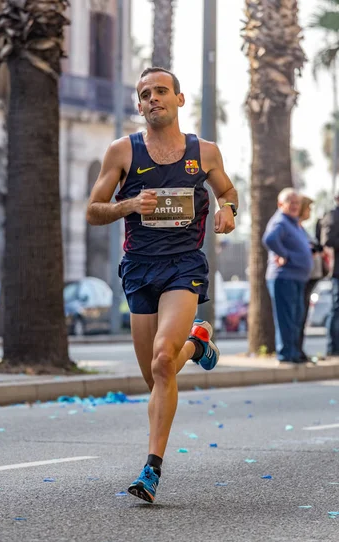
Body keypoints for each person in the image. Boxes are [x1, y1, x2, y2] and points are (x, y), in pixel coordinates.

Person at [86, 67, 238, 503]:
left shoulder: (204, 152)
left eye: (161, 92)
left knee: (159, 361)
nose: (153, 99)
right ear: (139, 105)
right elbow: (93, 210)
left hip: (182, 266)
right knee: (158, 376)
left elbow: (229, 191)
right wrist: (129, 204)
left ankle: (151, 469)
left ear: (179, 99)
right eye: (145, 94)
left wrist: (229, 210)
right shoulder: (122, 151)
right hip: (138, 268)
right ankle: (198, 345)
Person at [262, 188, 313, 364]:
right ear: (280, 204)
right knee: (287, 318)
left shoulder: (292, 223)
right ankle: (286, 354)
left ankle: (294, 353)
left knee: (296, 317)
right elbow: (269, 239)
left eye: (297, 202)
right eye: (290, 202)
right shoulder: (281, 222)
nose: (294, 206)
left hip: (297, 277)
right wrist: (284, 255)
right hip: (284, 277)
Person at [298, 195, 324, 361]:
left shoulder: (301, 228)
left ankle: (299, 350)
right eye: (308, 208)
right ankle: (296, 351)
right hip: (304, 277)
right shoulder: (295, 227)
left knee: (302, 315)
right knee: (299, 316)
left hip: (310, 277)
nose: (310, 212)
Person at [321, 194, 339, 356]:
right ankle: (333, 348)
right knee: (336, 309)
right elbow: (328, 240)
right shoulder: (333, 215)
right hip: (338, 272)